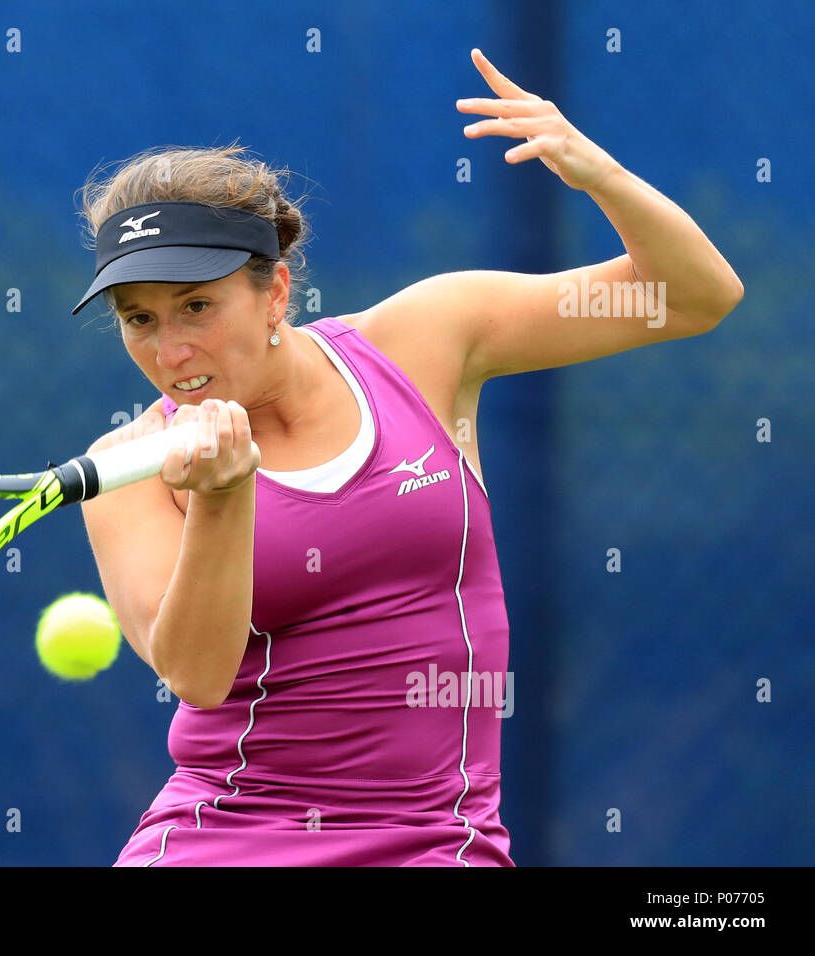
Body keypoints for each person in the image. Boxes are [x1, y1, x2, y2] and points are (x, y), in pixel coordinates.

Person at [71, 50, 744, 866]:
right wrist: (220, 499)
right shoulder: (127, 470)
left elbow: (694, 297)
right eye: (138, 319)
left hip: (440, 844)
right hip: (223, 841)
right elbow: (198, 676)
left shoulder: (428, 339)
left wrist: (595, 171)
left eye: (198, 306)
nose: (171, 348)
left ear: (277, 291)